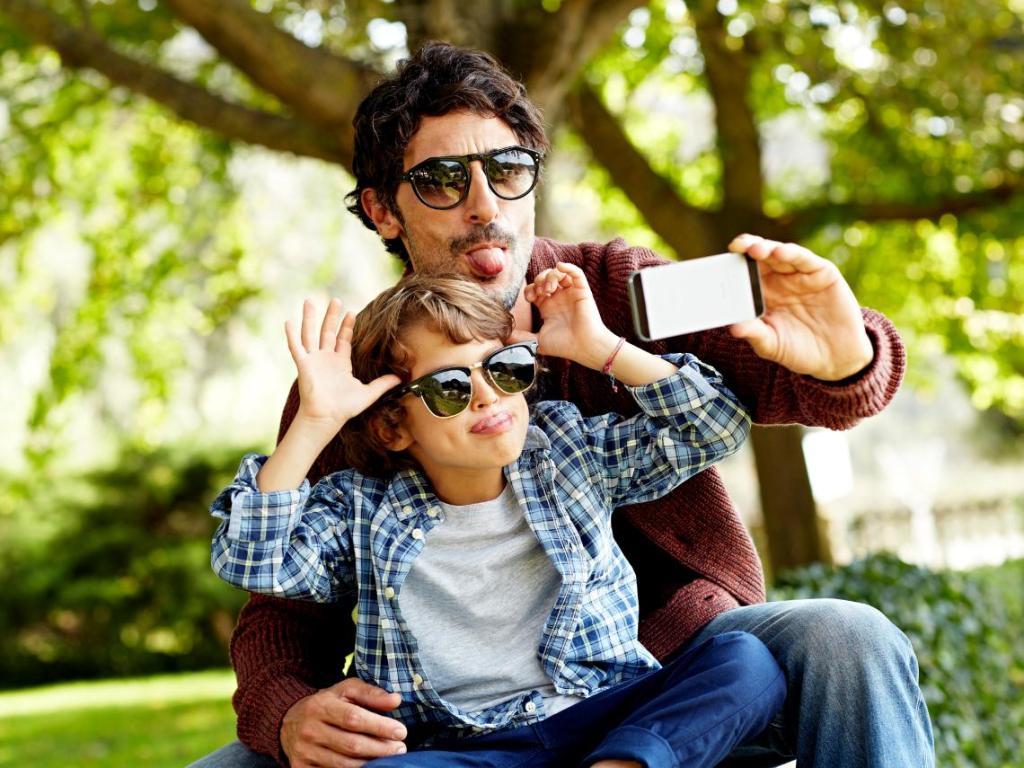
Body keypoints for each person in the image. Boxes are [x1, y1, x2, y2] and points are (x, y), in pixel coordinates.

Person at [192, 42, 934, 768]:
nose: (486, 207)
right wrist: (286, 712)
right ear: (386, 210)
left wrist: (847, 356)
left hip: (659, 670)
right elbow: (280, 602)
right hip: (446, 724)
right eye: (444, 181)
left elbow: (778, 393)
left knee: (846, 638)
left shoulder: (614, 290)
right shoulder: (355, 377)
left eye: (508, 171)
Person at [209, 267, 785, 768]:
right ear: (394, 425)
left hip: (604, 717)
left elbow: (712, 426)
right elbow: (253, 557)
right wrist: (316, 420)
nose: (486, 395)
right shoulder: (361, 509)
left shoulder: (568, 453)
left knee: (745, 664)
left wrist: (601, 347)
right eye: (450, 387)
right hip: (459, 749)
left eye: (504, 368)